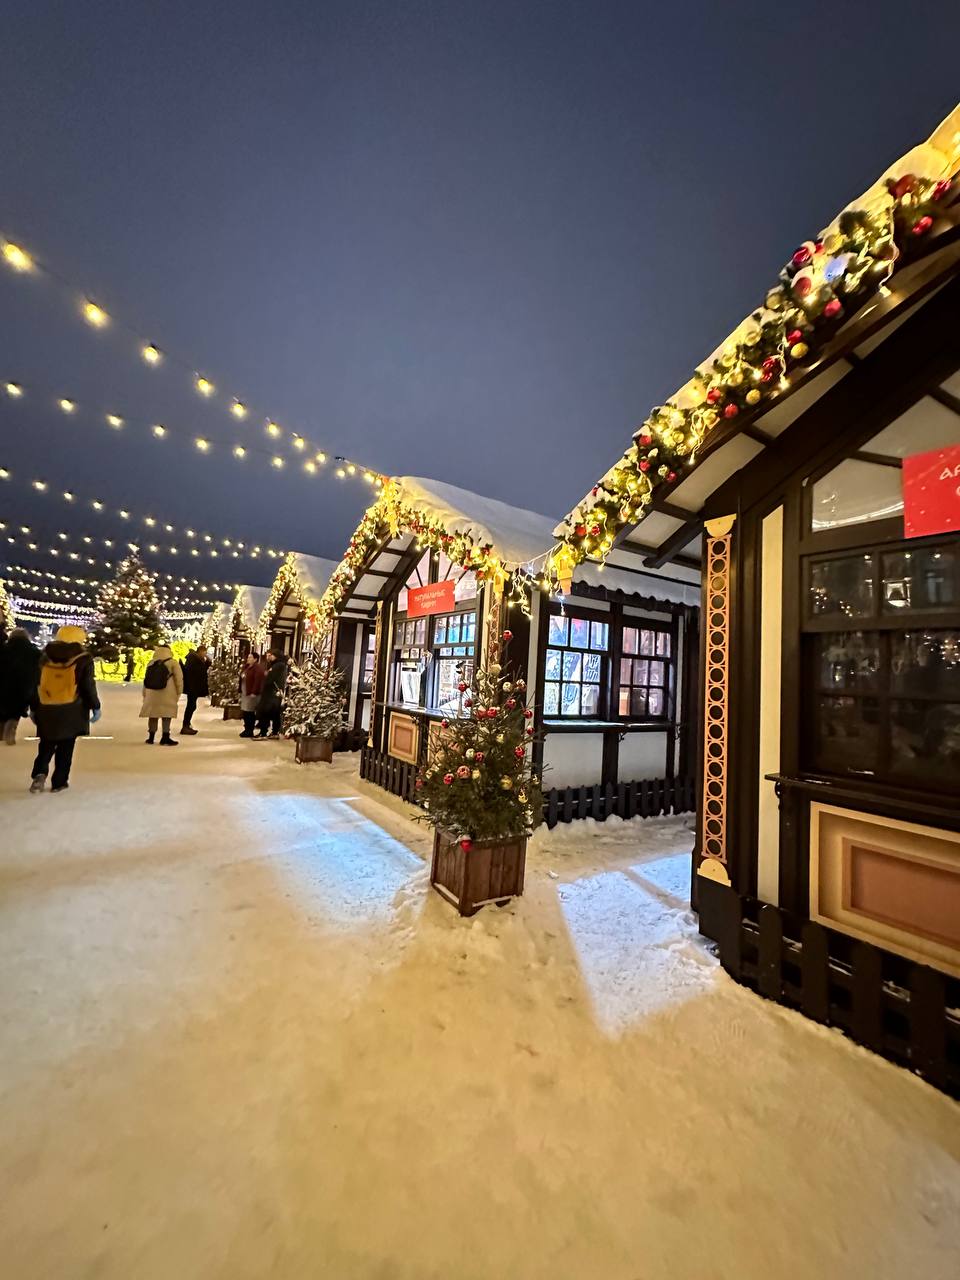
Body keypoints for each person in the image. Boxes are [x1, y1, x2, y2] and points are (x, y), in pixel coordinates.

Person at [28, 624, 101, 793]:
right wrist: (95, 706)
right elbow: (87, 685)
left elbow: (36, 683)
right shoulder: (83, 658)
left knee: (46, 744)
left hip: (46, 707)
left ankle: (39, 774)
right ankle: (59, 782)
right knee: (66, 747)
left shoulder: (44, 656)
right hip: (72, 709)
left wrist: (34, 707)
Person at [0, 627, 40, 745]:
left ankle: (2, 737)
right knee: (15, 712)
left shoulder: (4, 649)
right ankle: (10, 732)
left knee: (3, 712)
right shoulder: (34, 652)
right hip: (24, 688)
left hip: (4, 687)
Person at [140, 642, 184, 745]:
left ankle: (151, 737)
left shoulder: (151, 663)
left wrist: (145, 693)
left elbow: (146, 679)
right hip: (168, 693)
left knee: (153, 714)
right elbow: (179, 679)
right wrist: (179, 692)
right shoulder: (173, 663)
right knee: (166, 714)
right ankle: (165, 736)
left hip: (151, 692)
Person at [256, 649, 288, 739]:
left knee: (266, 712)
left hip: (271, 692)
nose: (269, 657)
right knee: (275, 713)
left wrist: (265, 678)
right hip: (275, 692)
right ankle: (274, 732)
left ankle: (264, 732)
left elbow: (269, 678)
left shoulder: (277, 666)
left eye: (271, 655)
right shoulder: (279, 665)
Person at [180, 643, 211, 736]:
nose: (205, 654)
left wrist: (207, 663)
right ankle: (185, 726)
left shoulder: (196, 660)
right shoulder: (193, 660)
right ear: (200, 651)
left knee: (192, 706)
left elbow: (201, 670)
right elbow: (196, 672)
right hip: (193, 687)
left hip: (194, 687)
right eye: (204, 652)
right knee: (191, 706)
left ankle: (186, 725)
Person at [239, 651, 266, 738]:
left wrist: (254, 692)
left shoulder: (257, 669)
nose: (248, 659)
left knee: (249, 712)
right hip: (245, 692)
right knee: (245, 712)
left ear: (255, 659)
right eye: (248, 657)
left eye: (250, 657)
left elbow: (257, 681)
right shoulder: (246, 667)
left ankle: (249, 730)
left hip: (251, 693)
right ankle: (246, 728)